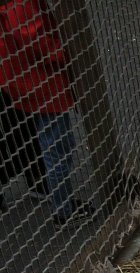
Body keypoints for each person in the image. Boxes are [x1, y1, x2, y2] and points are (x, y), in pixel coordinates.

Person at [0, 0, 90, 224]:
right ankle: (64, 209)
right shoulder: (20, 4)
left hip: (22, 77)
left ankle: (48, 189)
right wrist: (63, 53)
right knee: (57, 146)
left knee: (42, 140)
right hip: (41, 81)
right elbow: (32, 35)